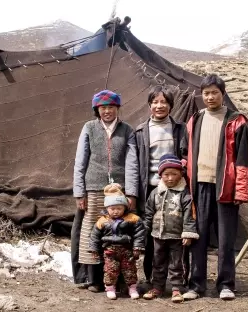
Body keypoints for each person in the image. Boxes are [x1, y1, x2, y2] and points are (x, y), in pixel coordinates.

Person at [182, 74, 248, 301]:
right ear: (202, 95)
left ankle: (226, 284)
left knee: (226, 238)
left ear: (223, 94)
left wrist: (241, 190)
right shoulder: (195, 120)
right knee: (197, 236)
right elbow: (185, 153)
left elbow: (242, 160)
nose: (210, 97)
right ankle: (196, 284)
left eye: (214, 93)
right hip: (199, 185)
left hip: (226, 188)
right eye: (206, 93)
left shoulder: (236, 121)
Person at [71, 90, 139, 292]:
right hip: (93, 188)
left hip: (119, 192)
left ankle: (117, 279)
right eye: (103, 108)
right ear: (97, 110)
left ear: (117, 108)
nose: (107, 111)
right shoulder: (89, 128)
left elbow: (132, 162)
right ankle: (93, 279)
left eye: (111, 107)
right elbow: (80, 161)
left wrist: (131, 193)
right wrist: (79, 192)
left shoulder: (127, 130)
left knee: (119, 230)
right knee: (92, 232)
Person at [135, 85, 186, 284]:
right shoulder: (140, 131)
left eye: (163, 102)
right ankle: (151, 278)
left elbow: (185, 156)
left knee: (174, 233)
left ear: (171, 105)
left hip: (173, 188)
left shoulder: (179, 129)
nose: (159, 106)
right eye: (155, 102)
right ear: (149, 105)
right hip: (150, 188)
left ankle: (177, 280)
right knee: (150, 234)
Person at [142, 154, 199, 303]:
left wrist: (188, 233)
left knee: (176, 264)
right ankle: (157, 288)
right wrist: (144, 230)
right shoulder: (155, 193)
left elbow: (190, 215)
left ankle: (176, 289)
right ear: (161, 175)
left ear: (181, 174)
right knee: (158, 262)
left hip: (176, 237)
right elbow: (148, 212)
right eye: (166, 174)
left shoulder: (184, 194)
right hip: (158, 235)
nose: (170, 178)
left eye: (174, 174)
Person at [89, 183, 145, 300]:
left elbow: (139, 234)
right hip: (110, 250)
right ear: (107, 208)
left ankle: (132, 288)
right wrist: (94, 249)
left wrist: (137, 247)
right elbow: (94, 236)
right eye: (112, 208)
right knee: (110, 270)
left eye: (119, 208)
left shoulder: (133, 219)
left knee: (130, 269)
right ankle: (110, 288)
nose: (115, 211)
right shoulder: (102, 221)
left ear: (125, 207)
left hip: (127, 250)